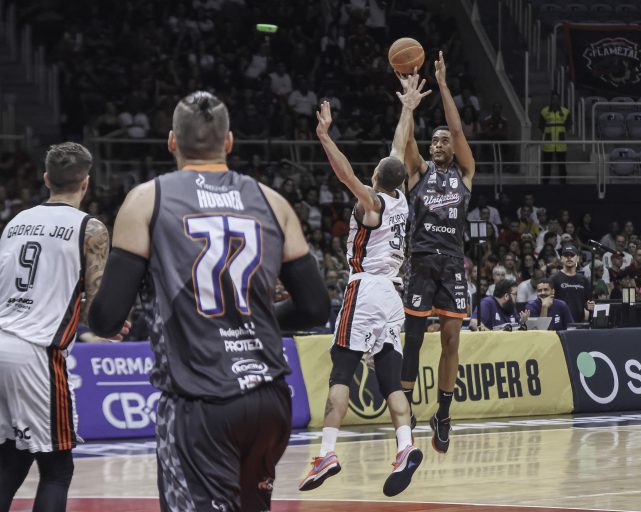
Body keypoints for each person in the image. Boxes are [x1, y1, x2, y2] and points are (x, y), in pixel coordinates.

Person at [88, 91, 329, 511]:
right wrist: (249, 321)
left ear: (171, 141)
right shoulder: (273, 202)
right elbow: (315, 308)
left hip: (199, 399)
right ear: (229, 142)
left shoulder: (147, 199)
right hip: (269, 398)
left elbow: (107, 318)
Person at [298, 76, 429, 496]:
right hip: (393, 296)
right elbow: (398, 149)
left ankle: (327, 452)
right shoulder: (401, 198)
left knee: (341, 369)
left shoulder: (371, 202)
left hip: (366, 290)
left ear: (376, 176)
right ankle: (406, 446)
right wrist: (407, 108)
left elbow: (346, 175)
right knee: (390, 379)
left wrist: (324, 136)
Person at [0, 143, 128, 512]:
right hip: (36, 354)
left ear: (46, 179)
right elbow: (96, 304)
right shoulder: (91, 228)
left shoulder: (15, 223)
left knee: (12, 458)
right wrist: (110, 324)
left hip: (3, 341)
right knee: (58, 469)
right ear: (86, 183)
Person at [397, 51, 475, 454]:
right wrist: (410, 105)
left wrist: (443, 85)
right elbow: (407, 141)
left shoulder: (465, 174)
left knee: (450, 341)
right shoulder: (419, 173)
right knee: (413, 339)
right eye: (435, 141)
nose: (439, 143)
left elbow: (459, 130)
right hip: (422, 262)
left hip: (452, 265)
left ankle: (443, 414)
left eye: (444, 140)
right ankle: (406, 411)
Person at [549, 244, 594, 323]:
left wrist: (589, 306)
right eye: (566, 255)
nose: (569, 258)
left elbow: (587, 302)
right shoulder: (554, 279)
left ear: (578, 258)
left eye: (572, 255)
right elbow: (549, 301)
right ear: (561, 258)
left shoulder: (583, 280)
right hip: (560, 323)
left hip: (579, 323)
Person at [539, 92, 571, 185]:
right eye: (553, 99)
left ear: (559, 100)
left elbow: (569, 125)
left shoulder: (565, 111)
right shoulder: (544, 111)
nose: (555, 101)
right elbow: (541, 126)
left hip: (561, 143)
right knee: (546, 165)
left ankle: (563, 183)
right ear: (551, 100)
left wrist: (562, 133)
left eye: (556, 99)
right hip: (548, 143)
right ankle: (545, 184)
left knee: (562, 165)